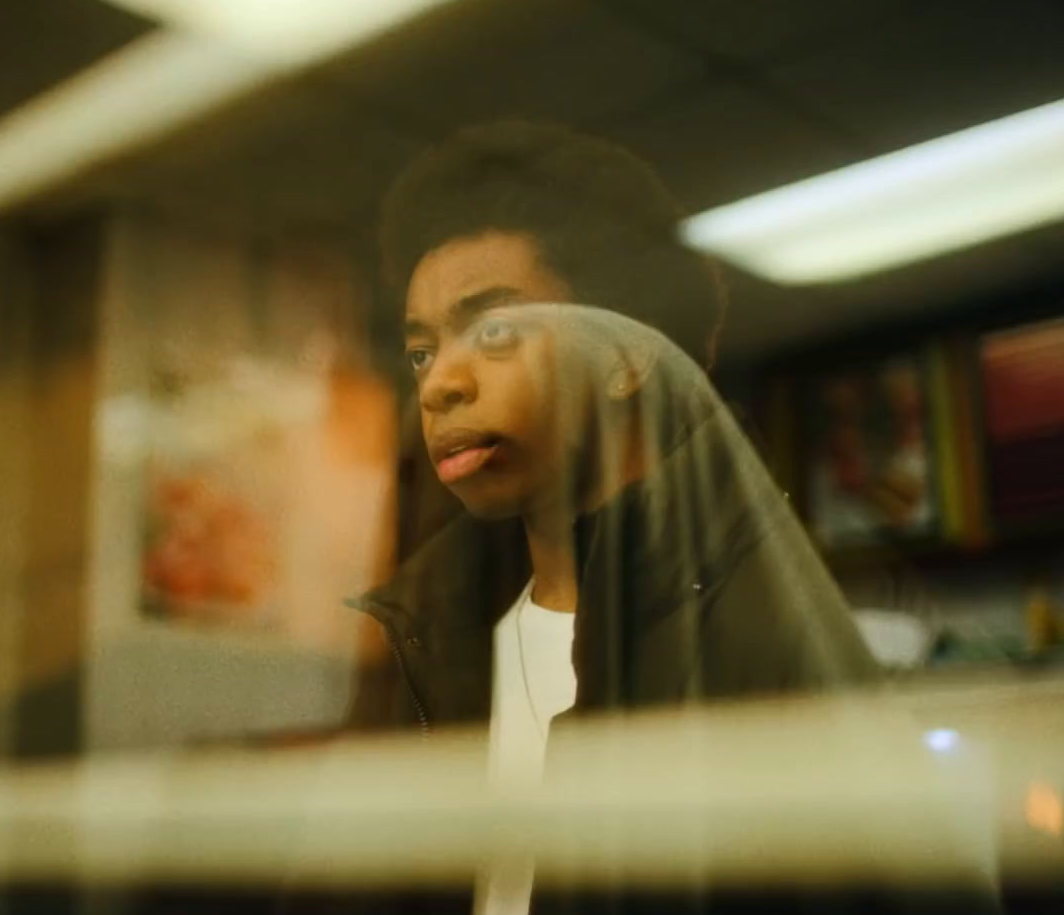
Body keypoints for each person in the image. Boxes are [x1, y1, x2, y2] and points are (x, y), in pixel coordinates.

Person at [339, 122, 882, 913]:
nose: (439, 385)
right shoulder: (426, 633)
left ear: (629, 353)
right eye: (423, 351)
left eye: (492, 331)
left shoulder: (761, 631)